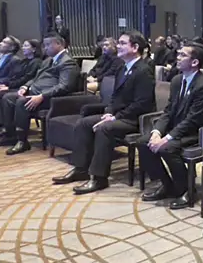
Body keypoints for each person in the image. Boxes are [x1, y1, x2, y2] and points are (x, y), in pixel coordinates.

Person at [53, 31, 154, 194]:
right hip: (119, 115)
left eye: (122, 43)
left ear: (135, 47)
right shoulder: (122, 67)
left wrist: (115, 117)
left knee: (104, 128)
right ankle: (81, 169)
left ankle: (99, 178)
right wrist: (109, 112)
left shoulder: (143, 70)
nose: (118, 46)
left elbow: (142, 103)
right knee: (83, 123)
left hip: (135, 119)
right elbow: (115, 97)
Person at [138, 42, 203, 209]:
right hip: (176, 128)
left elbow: (193, 120)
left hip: (195, 132)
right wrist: (157, 132)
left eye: (183, 55)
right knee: (143, 142)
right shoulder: (177, 80)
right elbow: (169, 110)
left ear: (195, 62)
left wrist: (166, 138)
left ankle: (188, 190)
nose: (177, 58)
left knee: (167, 148)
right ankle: (167, 184)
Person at [0, 34, 79, 154]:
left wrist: (42, 96)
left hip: (52, 98)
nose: (45, 48)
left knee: (22, 102)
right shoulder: (48, 60)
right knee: (8, 98)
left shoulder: (68, 62)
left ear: (59, 44)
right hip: (35, 92)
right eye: (44, 45)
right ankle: (10, 135)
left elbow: (64, 86)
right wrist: (25, 86)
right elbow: (36, 77)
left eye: (48, 45)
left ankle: (22, 141)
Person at [0, 39, 42, 139]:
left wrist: (8, 86)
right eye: (23, 46)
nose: (23, 48)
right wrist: (7, 85)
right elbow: (16, 77)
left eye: (26, 46)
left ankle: (2, 127)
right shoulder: (25, 61)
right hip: (17, 86)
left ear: (34, 49)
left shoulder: (36, 62)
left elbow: (26, 79)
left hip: (24, 88)